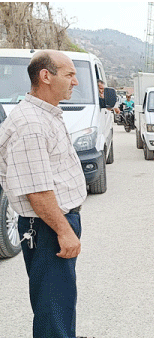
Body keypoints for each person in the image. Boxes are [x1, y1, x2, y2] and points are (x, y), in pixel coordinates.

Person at [0, 50, 87, 337]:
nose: (75, 82)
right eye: (69, 74)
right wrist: (63, 230)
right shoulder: (32, 124)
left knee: (60, 305)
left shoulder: (44, 114)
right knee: (53, 313)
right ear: (45, 76)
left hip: (52, 224)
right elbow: (37, 191)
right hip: (48, 226)